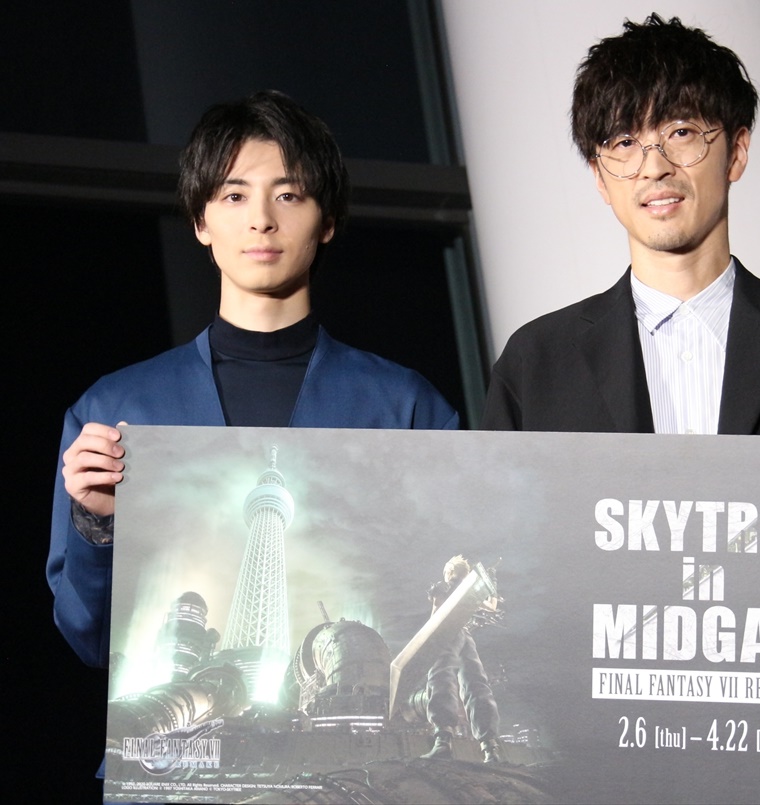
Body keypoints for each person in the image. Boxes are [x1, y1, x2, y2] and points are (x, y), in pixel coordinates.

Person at [480, 15, 760, 803]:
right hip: (605, 752)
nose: (653, 164)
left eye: (682, 132)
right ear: (600, 176)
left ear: (738, 150)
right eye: (623, 142)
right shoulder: (537, 360)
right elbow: (506, 565)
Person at [48, 90, 458, 673]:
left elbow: (431, 612)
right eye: (234, 195)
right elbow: (89, 639)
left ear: (328, 221)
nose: (261, 219)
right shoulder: (117, 408)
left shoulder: (404, 406)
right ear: (201, 221)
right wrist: (96, 523)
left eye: (288, 195)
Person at [420, 555, 502, 763]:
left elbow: (436, 615)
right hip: (466, 637)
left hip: (448, 632)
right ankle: (490, 748)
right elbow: (492, 606)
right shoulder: (471, 592)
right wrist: (492, 583)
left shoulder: (443, 587)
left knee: (441, 677)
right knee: (476, 684)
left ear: (449, 571)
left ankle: (443, 742)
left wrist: (429, 642)